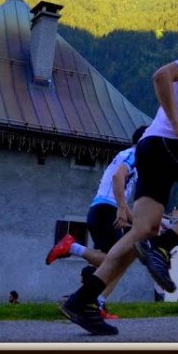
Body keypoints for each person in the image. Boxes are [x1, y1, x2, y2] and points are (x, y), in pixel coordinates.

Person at [60, 23, 178, 336]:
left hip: (152, 148)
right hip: (165, 145)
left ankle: (82, 301)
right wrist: (177, 125)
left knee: (141, 231)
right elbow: (160, 76)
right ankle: (162, 247)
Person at [45, 125, 147, 320]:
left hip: (101, 210)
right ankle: (71, 247)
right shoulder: (134, 155)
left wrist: (137, 222)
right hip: (106, 211)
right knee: (117, 262)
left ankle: (96, 302)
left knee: (116, 262)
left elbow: (119, 194)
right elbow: (117, 178)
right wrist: (122, 208)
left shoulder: (127, 156)